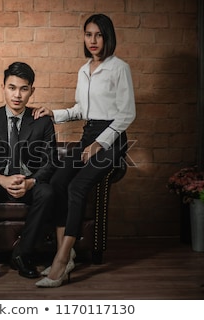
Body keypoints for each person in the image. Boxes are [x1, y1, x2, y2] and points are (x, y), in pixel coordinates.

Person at [32, 13, 136, 288]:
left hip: (111, 140)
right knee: (57, 182)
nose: (92, 40)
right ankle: (65, 255)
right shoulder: (83, 70)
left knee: (77, 187)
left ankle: (61, 259)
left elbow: (126, 114)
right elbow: (82, 110)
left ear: (107, 37)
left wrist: (100, 143)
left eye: (98, 35)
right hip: (88, 134)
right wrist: (53, 113)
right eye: (88, 34)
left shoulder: (119, 68)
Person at [0, 62, 59, 287]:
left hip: (28, 184)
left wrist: (30, 182)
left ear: (32, 91)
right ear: (3, 87)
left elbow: (50, 161)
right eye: (12, 87)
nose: (17, 95)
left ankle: (22, 253)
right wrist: (1, 179)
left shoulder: (43, 122)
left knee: (47, 192)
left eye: (24, 89)